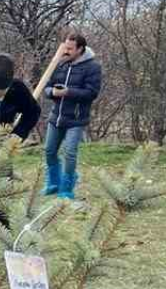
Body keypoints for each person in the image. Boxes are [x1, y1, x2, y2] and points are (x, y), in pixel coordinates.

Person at [41, 31, 102, 202]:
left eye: (70, 48)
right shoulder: (59, 63)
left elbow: (91, 93)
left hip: (76, 119)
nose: (65, 51)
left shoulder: (92, 67)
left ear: (80, 49)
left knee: (69, 153)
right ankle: (53, 183)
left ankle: (66, 188)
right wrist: (51, 92)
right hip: (56, 116)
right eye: (65, 47)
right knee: (49, 150)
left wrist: (68, 92)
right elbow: (46, 86)